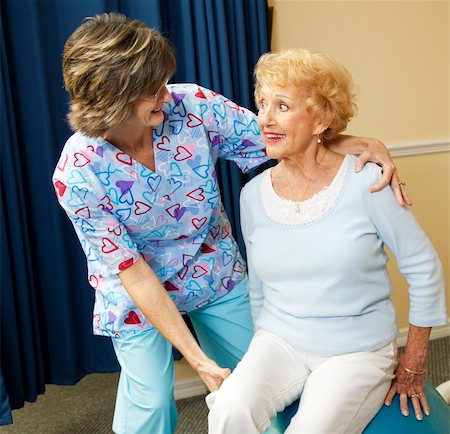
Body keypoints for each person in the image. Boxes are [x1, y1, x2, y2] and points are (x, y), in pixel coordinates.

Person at [53, 13, 408, 434]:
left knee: (268, 382)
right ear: (114, 98)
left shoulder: (192, 106)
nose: (166, 96)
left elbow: (275, 140)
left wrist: (360, 143)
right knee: (148, 401)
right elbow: (133, 271)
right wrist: (198, 360)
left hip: (211, 267)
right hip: (136, 289)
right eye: (152, 90)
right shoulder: (78, 172)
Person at [207, 48, 447, 433]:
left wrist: (415, 362)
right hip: (279, 341)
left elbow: (424, 269)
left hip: (355, 352)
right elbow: (260, 288)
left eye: (281, 106)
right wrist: (260, 352)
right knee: (228, 410)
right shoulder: (252, 194)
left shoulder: (368, 182)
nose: (265, 117)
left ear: (321, 119)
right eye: (262, 103)